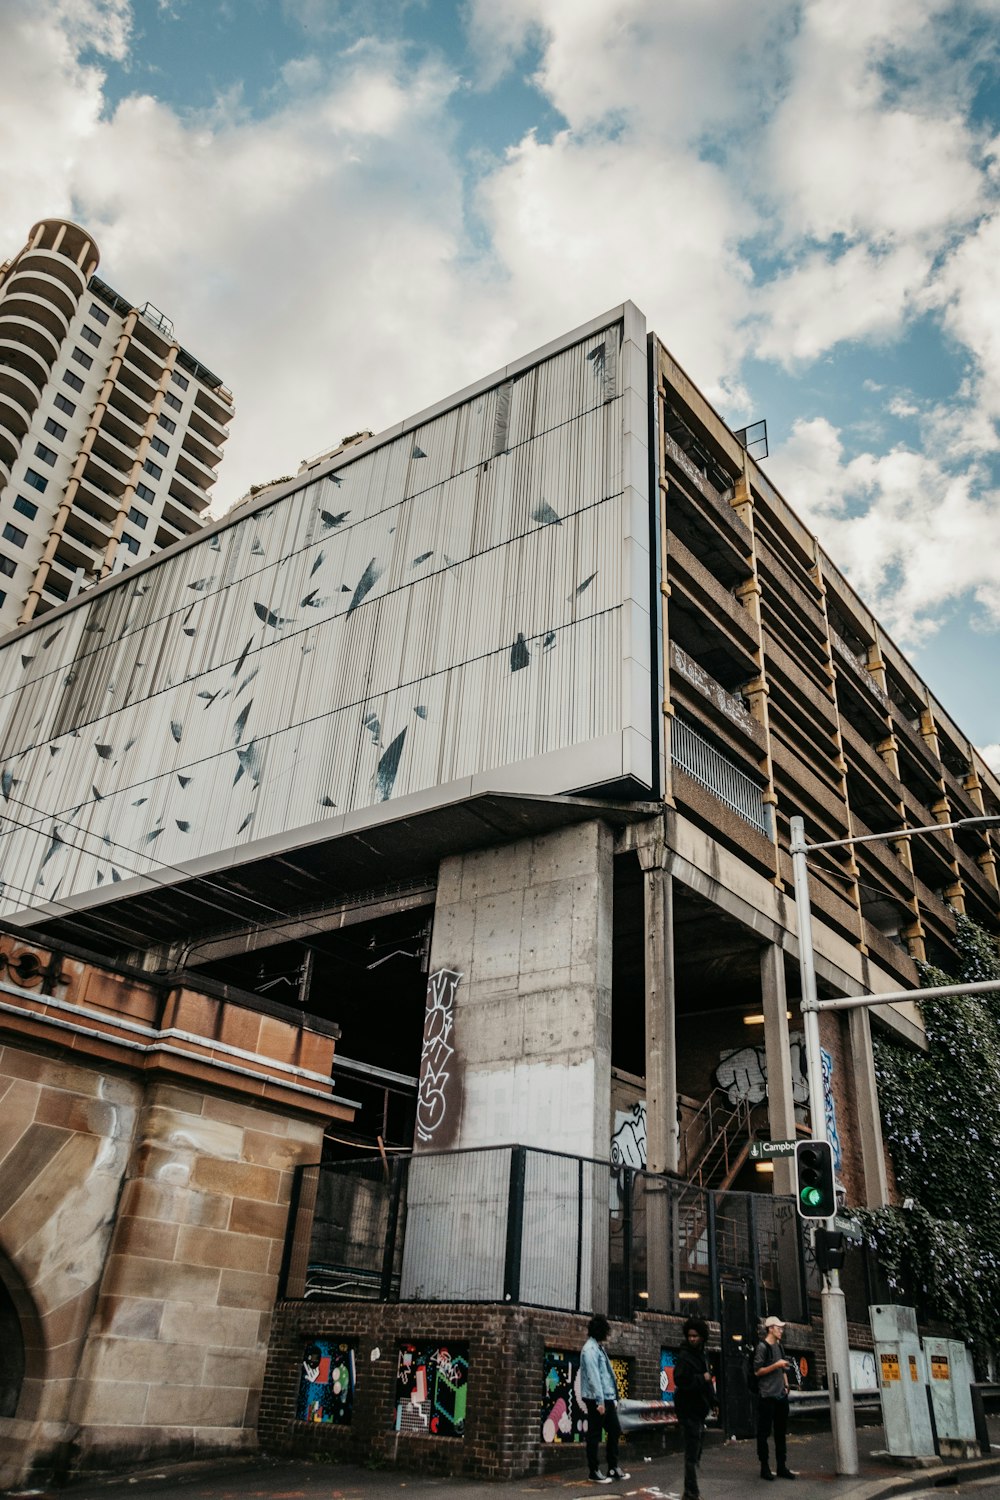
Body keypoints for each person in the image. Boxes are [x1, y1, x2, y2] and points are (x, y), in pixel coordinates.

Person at [579, 1314, 630, 1484]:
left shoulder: (598, 1348)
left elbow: (607, 1376)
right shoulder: (590, 1350)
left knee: (614, 1430)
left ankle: (613, 1467)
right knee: (594, 1434)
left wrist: (613, 1398)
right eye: (606, 1331)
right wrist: (600, 1402)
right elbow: (594, 1378)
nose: (608, 1334)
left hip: (606, 1398)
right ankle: (594, 1471)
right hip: (596, 1399)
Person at [672, 1316, 716, 1500]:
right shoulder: (685, 1357)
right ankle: (691, 1493)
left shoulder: (701, 1355)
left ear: (702, 1337)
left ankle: (690, 1492)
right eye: (690, 1335)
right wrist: (702, 1378)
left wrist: (714, 1402)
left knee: (695, 1451)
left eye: (695, 1336)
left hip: (698, 1409)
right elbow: (680, 1381)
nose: (692, 1339)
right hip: (688, 1409)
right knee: (691, 1454)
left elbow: (707, 1383)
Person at [753, 1315, 796, 1480]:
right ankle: (764, 1467)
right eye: (779, 1328)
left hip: (780, 1395)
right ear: (770, 1328)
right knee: (763, 1432)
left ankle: (781, 1466)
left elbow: (782, 1369)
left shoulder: (780, 1347)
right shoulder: (762, 1347)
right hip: (767, 1395)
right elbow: (757, 1371)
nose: (781, 1330)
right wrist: (776, 1365)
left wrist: (786, 1385)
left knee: (780, 1432)